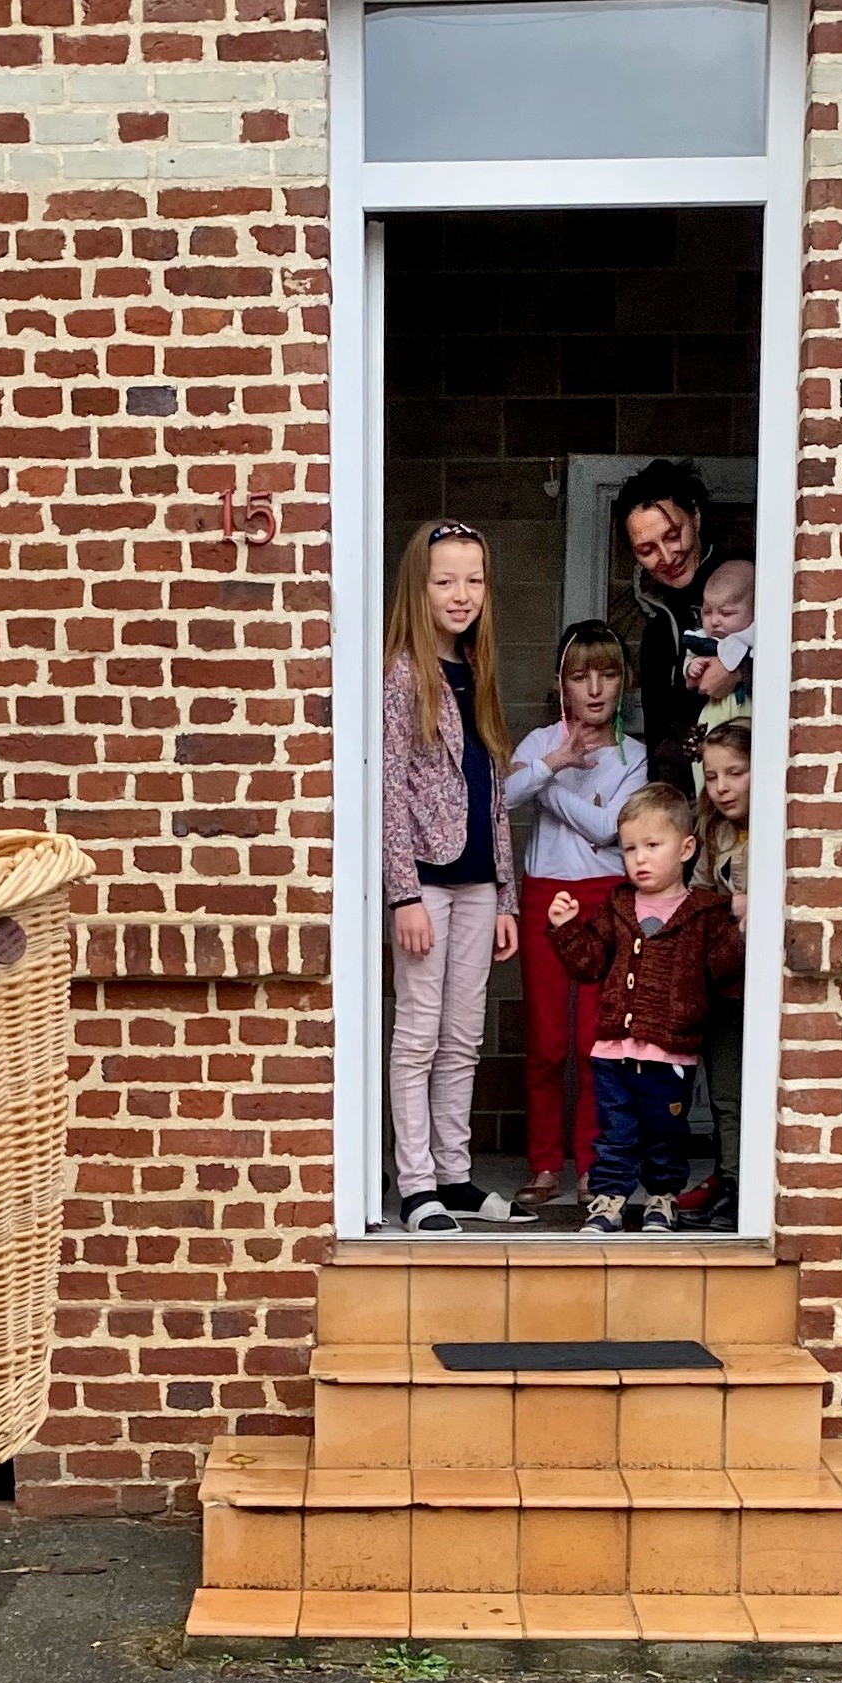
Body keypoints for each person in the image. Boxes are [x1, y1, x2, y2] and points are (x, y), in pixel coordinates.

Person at [381, 519, 533, 1236]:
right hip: (427, 883)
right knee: (419, 1034)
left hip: (477, 884)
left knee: (464, 1036)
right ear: (420, 586)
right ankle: (416, 1186)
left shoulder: (478, 669)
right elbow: (386, 790)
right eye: (445, 580)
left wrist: (506, 894)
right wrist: (402, 891)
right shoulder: (403, 674)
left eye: (474, 579)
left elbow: (492, 789)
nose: (462, 593)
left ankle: (454, 1174)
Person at [545, 783, 744, 1237]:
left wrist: (741, 932)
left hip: (670, 1055)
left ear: (686, 847)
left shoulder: (703, 912)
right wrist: (565, 929)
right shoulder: (616, 906)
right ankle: (610, 1199)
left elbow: (721, 970)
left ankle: (661, 1199)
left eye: (653, 846)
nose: (640, 858)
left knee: (664, 1136)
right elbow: (590, 964)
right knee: (615, 1134)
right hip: (613, 1051)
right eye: (630, 848)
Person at [503, 619, 648, 1210]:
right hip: (544, 894)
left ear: (623, 683)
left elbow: (612, 828)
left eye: (608, 674)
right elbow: (500, 798)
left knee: (597, 1039)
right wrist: (555, 763)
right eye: (580, 675)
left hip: (607, 897)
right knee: (544, 1042)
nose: (594, 688)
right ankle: (544, 1166)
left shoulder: (634, 754)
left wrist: (548, 789)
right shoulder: (540, 743)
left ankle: (592, 1166)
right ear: (561, 683)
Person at [615, 457, 731, 795]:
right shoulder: (656, 633)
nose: (666, 557)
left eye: (672, 535)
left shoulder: (747, 582)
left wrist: (739, 670)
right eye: (647, 549)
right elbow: (659, 744)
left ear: (694, 515)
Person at [685, 718, 753, 1232]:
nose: (723, 787)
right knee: (726, 1092)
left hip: (766, 983)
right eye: (712, 777)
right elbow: (705, 897)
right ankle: (730, 1185)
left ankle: (749, 1187)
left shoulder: (781, 827)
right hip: (725, 981)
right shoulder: (714, 830)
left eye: (736, 772)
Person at [693, 557, 757, 735]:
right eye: (706, 612)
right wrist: (692, 670)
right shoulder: (703, 641)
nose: (714, 621)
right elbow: (689, 663)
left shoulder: (763, 642)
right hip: (712, 720)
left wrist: (739, 673)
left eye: (726, 613)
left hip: (749, 723)